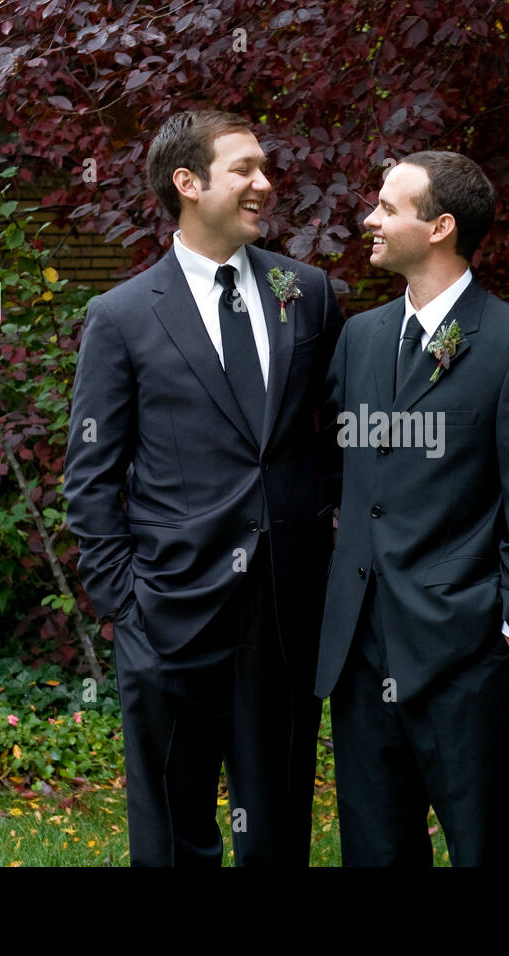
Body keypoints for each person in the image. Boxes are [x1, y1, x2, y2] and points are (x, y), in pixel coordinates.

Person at [64, 110, 342, 866]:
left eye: (265, 167)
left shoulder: (307, 293)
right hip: (170, 609)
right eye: (245, 168)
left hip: (285, 608)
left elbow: (335, 440)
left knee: (277, 825)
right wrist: (126, 602)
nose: (265, 183)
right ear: (188, 183)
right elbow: (90, 475)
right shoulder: (120, 317)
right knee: (172, 829)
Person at [317, 151, 509, 865]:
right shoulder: (360, 339)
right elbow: (341, 476)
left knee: (482, 850)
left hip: (465, 650)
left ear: (439, 227)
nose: (370, 218)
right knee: (376, 852)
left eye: (388, 207)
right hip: (362, 652)